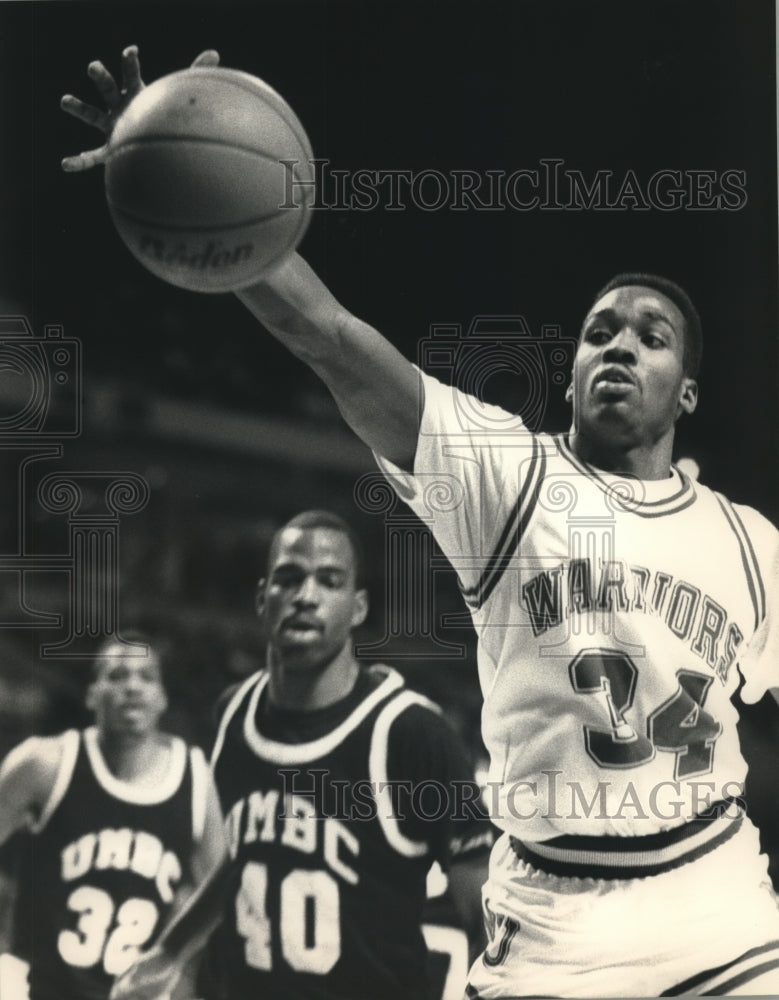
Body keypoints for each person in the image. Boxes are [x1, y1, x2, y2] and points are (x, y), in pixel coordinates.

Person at [62, 48, 779, 999]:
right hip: (555, 922)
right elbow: (326, 335)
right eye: (598, 332)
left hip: (714, 904)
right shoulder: (508, 475)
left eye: (650, 338)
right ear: (568, 375)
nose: (617, 346)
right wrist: (189, 185)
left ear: (685, 391)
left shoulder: (749, 544)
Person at [106, 510, 490, 1000]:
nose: (306, 595)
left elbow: (486, 912)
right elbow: (246, 856)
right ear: (262, 599)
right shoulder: (233, 713)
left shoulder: (413, 734)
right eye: (289, 579)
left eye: (329, 581)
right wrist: (169, 951)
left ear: (358, 607)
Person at [0, 635, 226, 1000]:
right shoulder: (45, 764)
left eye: (146, 676)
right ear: (92, 694)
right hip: (38, 988)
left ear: (162, 698)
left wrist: (179, 963)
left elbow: (222, 898)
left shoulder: (196, 779)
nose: (133, 687)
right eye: (117, 675)